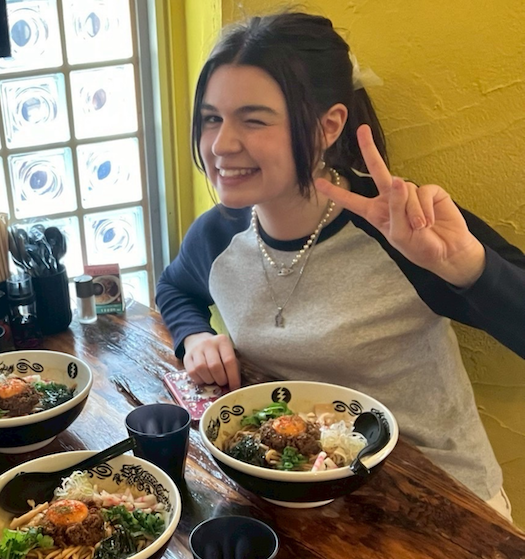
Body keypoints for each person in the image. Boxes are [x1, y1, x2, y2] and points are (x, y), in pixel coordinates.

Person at [155, 11, 525, 519]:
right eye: (212, 118)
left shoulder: (402, 225)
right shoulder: (218, 235)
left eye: (254, 119)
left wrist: (468, 269)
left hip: (440, 509)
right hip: (297, 498)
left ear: (328, 126)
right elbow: (174, 287)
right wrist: (194, 337)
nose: (221, 145)